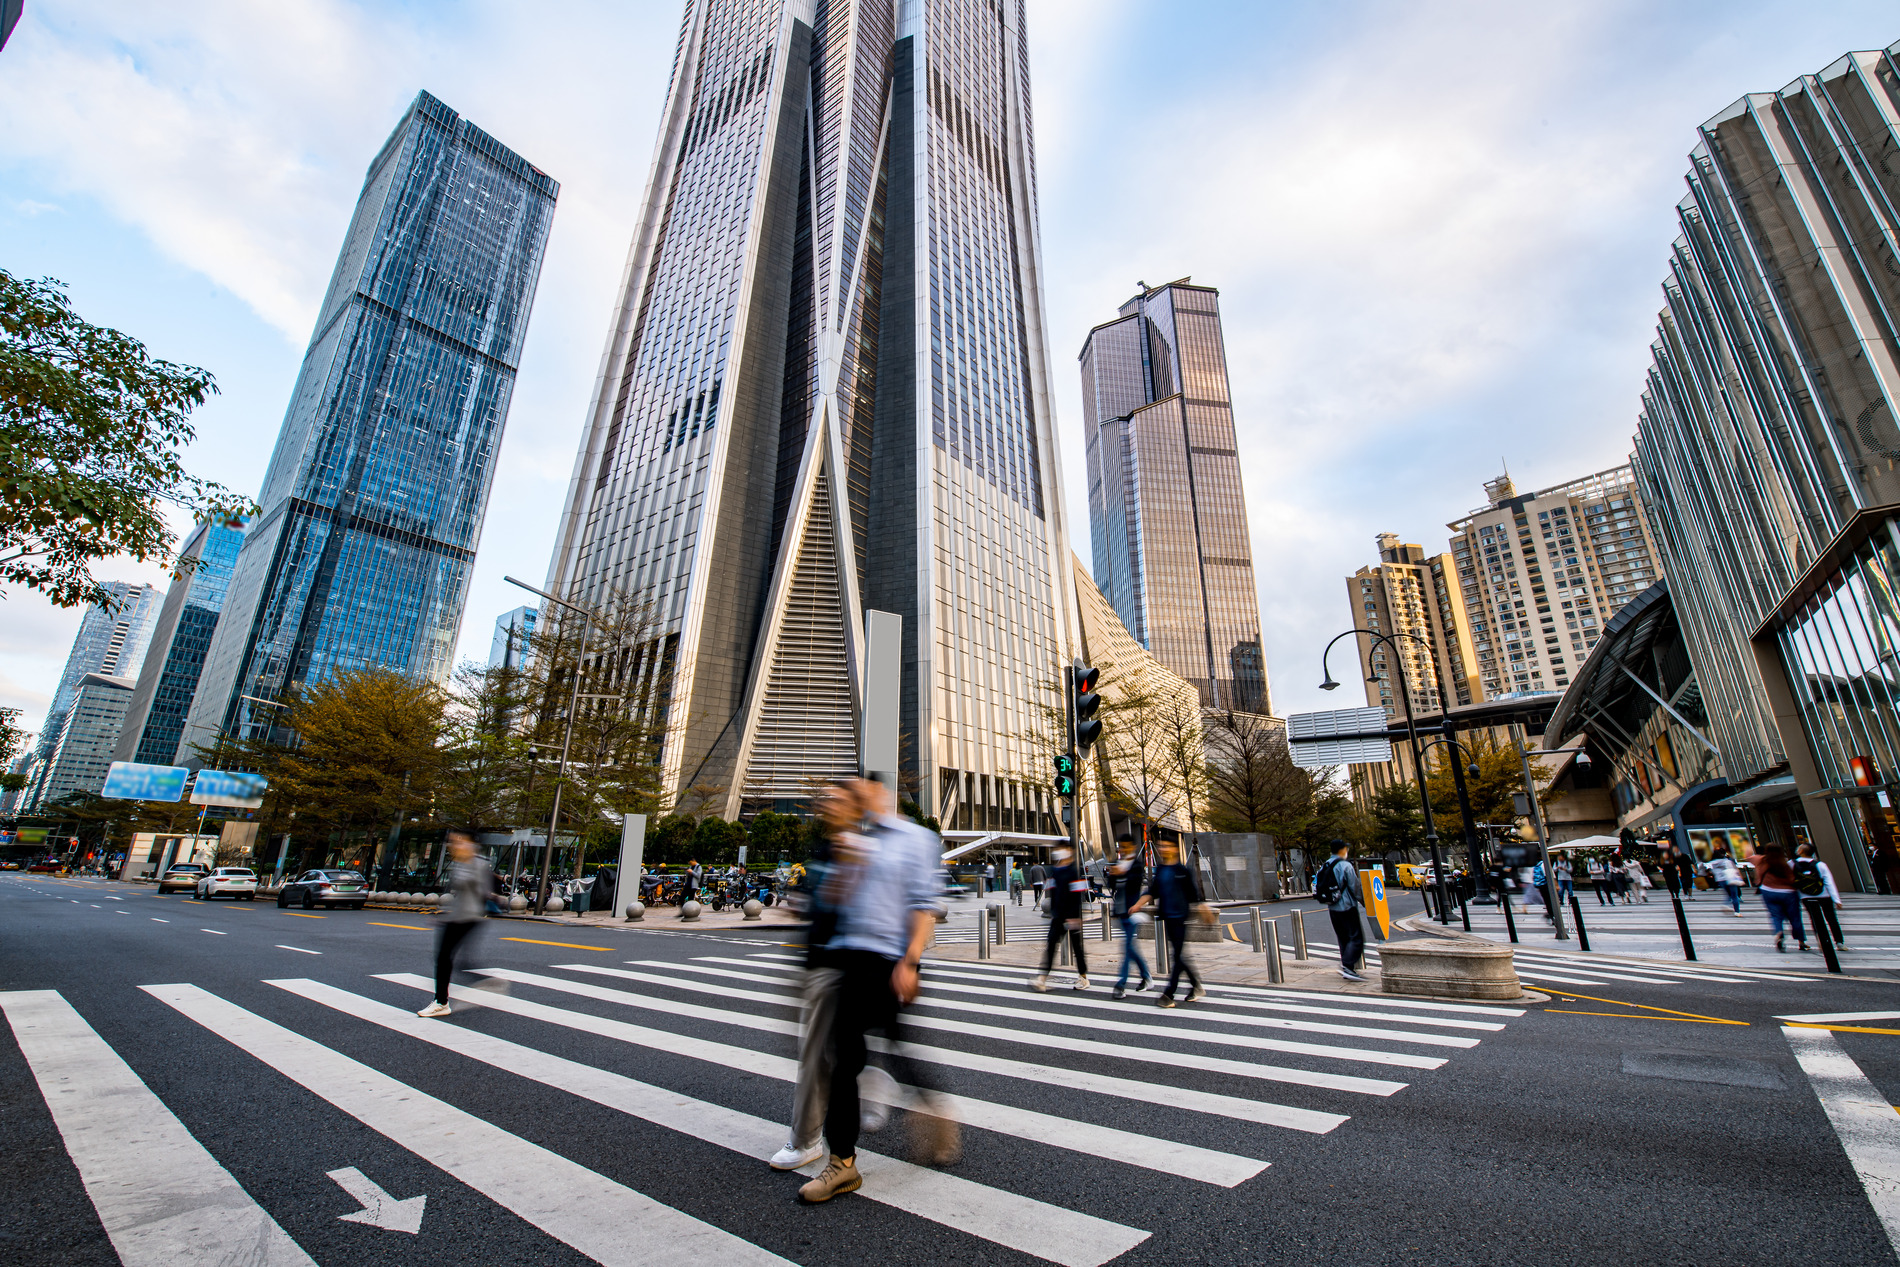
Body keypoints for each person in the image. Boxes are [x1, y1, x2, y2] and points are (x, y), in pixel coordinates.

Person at [797, 778, 955, 1203]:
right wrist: (846, 866)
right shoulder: (859, 840)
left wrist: (910, 962)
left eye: (859, 789)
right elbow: (838, 901)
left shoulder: (917, 839)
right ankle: (844, 1162)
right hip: (850, 958)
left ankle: (926, 1110)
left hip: (887, 962)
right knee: (848, 1057)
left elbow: (925, 904)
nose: (853, 797)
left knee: (874, 1050)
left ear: (879, 791)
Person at [771, 782, 860, 1171]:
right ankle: (864, 1092)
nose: (825, 803)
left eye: (834, 797)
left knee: (816, 1055)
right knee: (829, 1053)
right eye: (822, 797)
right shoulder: (825, 849)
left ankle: (806, 1140)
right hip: (816, 961)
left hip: (840, 966)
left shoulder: (859, 850)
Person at [417, 831, 501, 1018]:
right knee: (451, 960)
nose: (455, 844)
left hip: (469, 916)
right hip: (457, 916)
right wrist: (444, 915)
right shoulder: (461, 862)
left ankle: (441, 1002)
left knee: (444, 958)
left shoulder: (478, 863)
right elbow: (460, 894)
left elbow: (484, 891)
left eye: (460, 840)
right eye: (453, 841)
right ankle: (483, 982)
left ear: (471, 843)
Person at [1148, 841, 1207, 1006]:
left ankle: (1169, 994)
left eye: (1166, 846)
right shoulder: (1160, 869)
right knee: (1179, 956)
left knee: (1177, 956)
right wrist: (1138, 904)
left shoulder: (1182, 871)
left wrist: (1203, 908)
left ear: (1174, 849)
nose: (1162, 849)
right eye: (1161, 846)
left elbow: (1193, 894)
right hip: (1167, 917)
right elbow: (1154, 891)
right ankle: (1196, 985)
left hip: (1180, 917)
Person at [1029, 846, 1090, 992]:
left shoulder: (1074, 871)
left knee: (1077, 947)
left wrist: (1076, 916)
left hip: (1071, 917)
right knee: (1051, 945)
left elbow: (1077, 896)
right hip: (1058, 916)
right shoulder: (1056, 871)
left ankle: (1083, 976)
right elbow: (1053, 893)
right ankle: (1042, 978)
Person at [1316, 840, 1366, 983]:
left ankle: (1348, 968)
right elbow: (1354, 887)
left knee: (1343, 938)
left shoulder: (1325, 865)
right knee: (1356, 938)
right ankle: (1348, 966)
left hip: (1333, 907)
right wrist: (1365, 902)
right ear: (1342, 850)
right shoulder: (1345, 865)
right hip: (1347, 906)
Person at [1108, 838, 1151, 1000]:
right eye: (1120, 847)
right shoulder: (1117, 863)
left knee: (1126, 948)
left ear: (1132, 847)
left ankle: (1121, 984)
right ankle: (1146, 976)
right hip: (1120, 911)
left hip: (1133, 911)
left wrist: (1123, 873)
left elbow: (1136, 882)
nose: (1122, 850)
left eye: (1125, 847)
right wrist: (1112, 875)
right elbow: (1112, 885)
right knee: (1131, 948)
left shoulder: (1137, 864)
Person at [1747, 843, 1808, 952]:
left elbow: (1748, 856)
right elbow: (1792, 879)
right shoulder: (1785, 862)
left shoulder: (1760, 860)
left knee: (1775, 915)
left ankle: (1779, 932)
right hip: (1788, 893)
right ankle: (1801, 941)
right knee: (1795, 917)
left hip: (1768, 891)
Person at [1795, 843, 1847, 948]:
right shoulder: (1820, 865)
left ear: (1800, 851)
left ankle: (1822, 940)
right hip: (1824, 895)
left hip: (1805, 896)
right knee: (1831, 918)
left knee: (1815, 919)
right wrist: (1837, 899)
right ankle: (1839, 942)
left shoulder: (1792, 864)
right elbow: (1829, 882)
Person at [1710, 849, 1744, 916]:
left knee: (1729, 894)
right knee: (1734, 895)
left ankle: (1726, 904)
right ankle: (1737, 912)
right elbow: (1734, 870)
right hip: (1730, 879)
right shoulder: (1726, 861)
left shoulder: (1712, 863)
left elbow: (1712, 872)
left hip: (1721, 880)